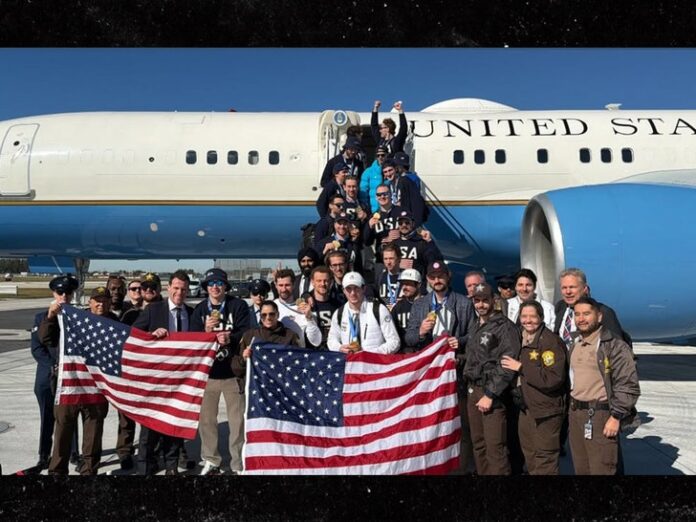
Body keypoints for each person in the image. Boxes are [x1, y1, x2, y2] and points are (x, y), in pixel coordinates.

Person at [404, 261, 475, 473]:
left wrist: (459, 341)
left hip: (455, 371)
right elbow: (408, 338)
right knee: (431, 423)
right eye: (433, 277)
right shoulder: (420, 304)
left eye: (441, 276)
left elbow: (474, 335)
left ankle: (460, 469)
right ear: (427, 279)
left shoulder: (463, 303)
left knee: (460, 423)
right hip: (429, 374)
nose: (437, 280)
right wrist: (421, 332)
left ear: (448, 276)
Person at [45, 286, 114, 475]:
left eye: (105, 300)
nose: (101, 304)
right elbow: (45, 338)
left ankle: (89, 473)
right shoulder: (74, 318)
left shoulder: (115, 323)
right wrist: (51, 316)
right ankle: (57, 473)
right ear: (89, 302)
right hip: (70, 384)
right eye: (97, 300)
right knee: (62, 435)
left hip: (97, 389)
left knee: (93, 438)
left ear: (110, 303)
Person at [567, 297, 640, 475]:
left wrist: (616, 416)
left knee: (602, 469)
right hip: (576, 415)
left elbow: (628, 384)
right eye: (577, 314)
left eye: (586, 314)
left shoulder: (614, 346)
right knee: (581, 469)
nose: (581, 319)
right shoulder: (575, 344)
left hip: (600, 415)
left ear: (599, 317)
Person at [133, 270, 194, 476]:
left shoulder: (192, 313)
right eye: (176, 288)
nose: (179, 293)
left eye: (183, 289)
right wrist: (150, 336)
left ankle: (171, 466)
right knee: (149, 428)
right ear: (169, 288)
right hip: (155, 379)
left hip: (181, 380)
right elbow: (134, 334)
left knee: (174, 426)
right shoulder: (153, 310)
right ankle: (145, 467)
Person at [190, 268, 250, 475]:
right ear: (206, 288)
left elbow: (246, 332)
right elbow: (192, 339)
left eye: (219, 283)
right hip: (209, 374)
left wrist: (230, 338)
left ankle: (238, 462)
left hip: (233, 373)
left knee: (237, 422)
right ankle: (211, 459)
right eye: (211, 284)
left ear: (225, 286)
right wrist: (206, 332)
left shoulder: (238, 305)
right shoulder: (200, 310)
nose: (215, 287)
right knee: (207, 421)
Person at [500, 301, 568, 475]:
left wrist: (521, 367)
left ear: (541, 318)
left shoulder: (550, 342)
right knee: (529, 454)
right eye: (524, 316)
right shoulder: (519, 338)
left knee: (545, 458)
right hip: (526, 408)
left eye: (533, 316)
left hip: (546, 410)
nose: (528, 320)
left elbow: (553, 379)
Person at [463, 282, 521, 475]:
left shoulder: (505, 327)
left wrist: (490, 394)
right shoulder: (476, 324)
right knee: (478, 444)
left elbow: (507, 364)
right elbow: (475, 357)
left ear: (493, 300)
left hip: (492, 394)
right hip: (473, 390)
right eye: (477, 301)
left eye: (485, 300)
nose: (481, 305)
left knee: (495, 447)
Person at [30, 274, 80, 471]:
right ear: (53, 293)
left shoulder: (77, 317)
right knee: (47, 418)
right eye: (60, 292)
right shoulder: (41, 317)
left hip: (70, 377)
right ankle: (44, 455)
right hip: (47, 376)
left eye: (68, 292)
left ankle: (74, 453)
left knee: (70, 418)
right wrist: (54, 365)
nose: (64, 296)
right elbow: (37, 349)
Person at [554, 268, 632, 349]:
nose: (568, 292)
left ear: (585, 289)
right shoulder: (560, 307)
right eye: (564, 288)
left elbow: (617, 347)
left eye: (572, 287)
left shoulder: (603, 312)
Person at [327, 272, 400, 354]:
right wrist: (340, 348)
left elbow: (394, 341)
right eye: (348, 289)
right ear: (343, 290)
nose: (353, 293)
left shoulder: (379, 310)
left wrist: (370, 354)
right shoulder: (339, 313)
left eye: (356, 288)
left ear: (364, 288)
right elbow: (331, 340)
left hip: (373, 361)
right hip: (349, 360)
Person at [273, 268, 322, 349]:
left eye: (287, 285)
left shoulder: (304, 307)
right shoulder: (271, 307)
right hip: (277, 353)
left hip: (298, 353)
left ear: (294, 285)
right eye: (280, 285)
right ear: (276, 286)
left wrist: (309, 318)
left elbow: (316, 341)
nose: (284, 289)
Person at [393, 210, 443, 281]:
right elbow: (386, 263)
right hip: (398, 283)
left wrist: (429, 241)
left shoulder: (421, 242)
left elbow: (435, 261)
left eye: (407, 222)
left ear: (413, 223)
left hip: (417, 284)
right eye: (400, 223)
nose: (404, 225)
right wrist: (398, 264)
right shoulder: (394, 243)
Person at [382, 158, 428, 227]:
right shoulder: (388, 186)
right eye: (385, 172)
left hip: (408, 221)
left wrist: (416, 224)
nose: (388, 174)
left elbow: (416, 203)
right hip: (397, 222)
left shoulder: (405, 182)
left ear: (395, 169)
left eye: (390, 170)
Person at [306, 266, 341, 347]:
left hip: (333, 349)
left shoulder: (338, 305)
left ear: (331, 282)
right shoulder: (306, 305)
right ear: (312, 282)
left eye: (326, 281)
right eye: (319, 281)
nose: (323, 284)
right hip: (312, 350)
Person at [390, 269, 422, 351]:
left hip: (423, 350)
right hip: (403, 352)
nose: (404, 287)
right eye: (403, 284)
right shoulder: (398, 307)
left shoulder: (427, 304)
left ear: (418, 285)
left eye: (408, 284)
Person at [360, 145, 388, 212]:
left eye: (383, 155)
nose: (380, 157)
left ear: (387, 155)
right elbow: (363, 193)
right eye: (378, 155)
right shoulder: (368, 172)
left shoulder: (391, 171)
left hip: (388, 209)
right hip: (373, 210)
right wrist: (366, 208)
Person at [375, 243, 402, 308]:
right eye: (385, 259)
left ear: (399, 259)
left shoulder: (406, 277)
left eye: (391, 258)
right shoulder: (380, 277)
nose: (388, 262)